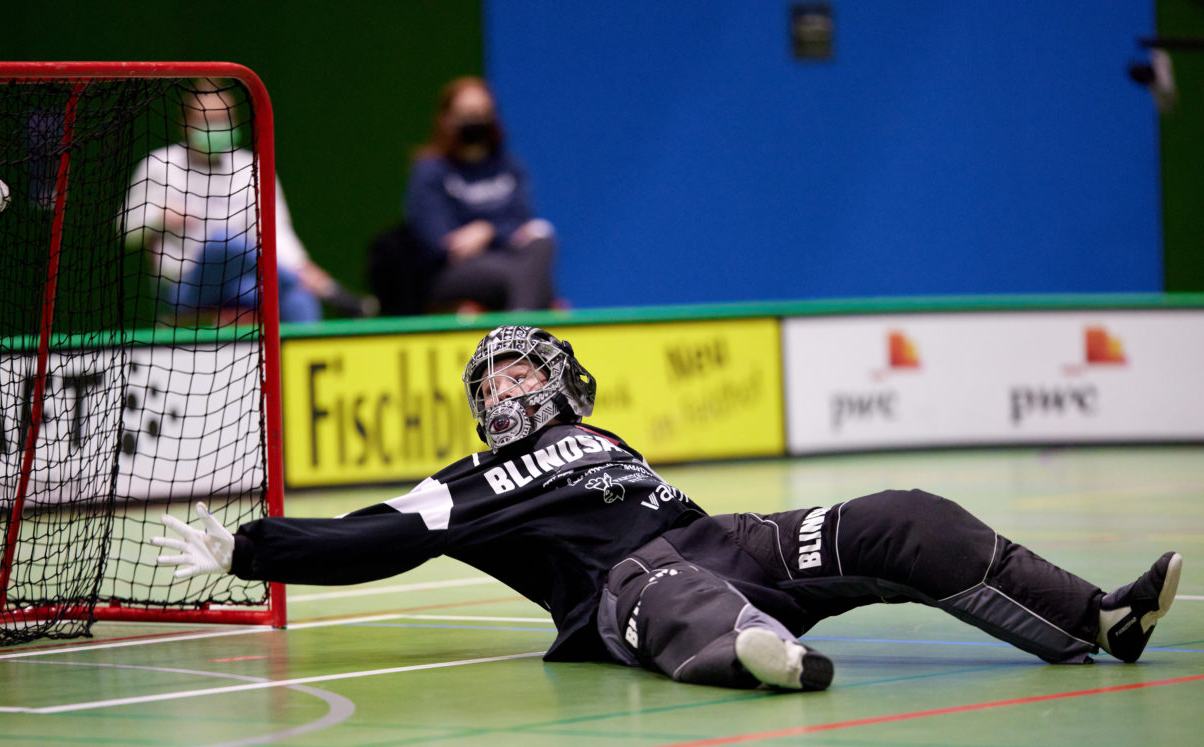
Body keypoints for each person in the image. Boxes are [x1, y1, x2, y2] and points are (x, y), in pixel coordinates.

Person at [153, 326, 1183, 692]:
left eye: (522, 368)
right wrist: (256, 548)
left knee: (904, 515)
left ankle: (1099, 618)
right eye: (492, 377)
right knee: (672, 586)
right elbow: (378, 535)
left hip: (725, 537)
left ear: (563, 380)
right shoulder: (469, 479)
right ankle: (760, 655)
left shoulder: (601, 436)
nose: (507, 385)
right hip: (625, 591)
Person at [121, 80, 371, 324]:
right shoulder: (159, 165)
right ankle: (330, 291)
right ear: (185, 123)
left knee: (298, 297)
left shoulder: (251, 167)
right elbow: (125, 228)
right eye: (206, 120)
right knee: (223, 242)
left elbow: (278, 234)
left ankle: (304, 320)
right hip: (185, 287)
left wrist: (302, 268)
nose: (215, 127)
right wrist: (159, 216)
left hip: (242, 283)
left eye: (223, 119)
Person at [403, 77, 559, 313]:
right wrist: (486, 236)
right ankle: (522, 328)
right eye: (466, 113)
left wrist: (487, 231)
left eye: (482, 113)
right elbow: (437, 241)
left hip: (510, 258)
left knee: (543, 243)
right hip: (451, 272)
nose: (475, 121)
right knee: (526, 278)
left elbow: (521, 226)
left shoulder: (510, 168)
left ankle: (519, 322)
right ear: (446, 119)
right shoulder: (430, 170)